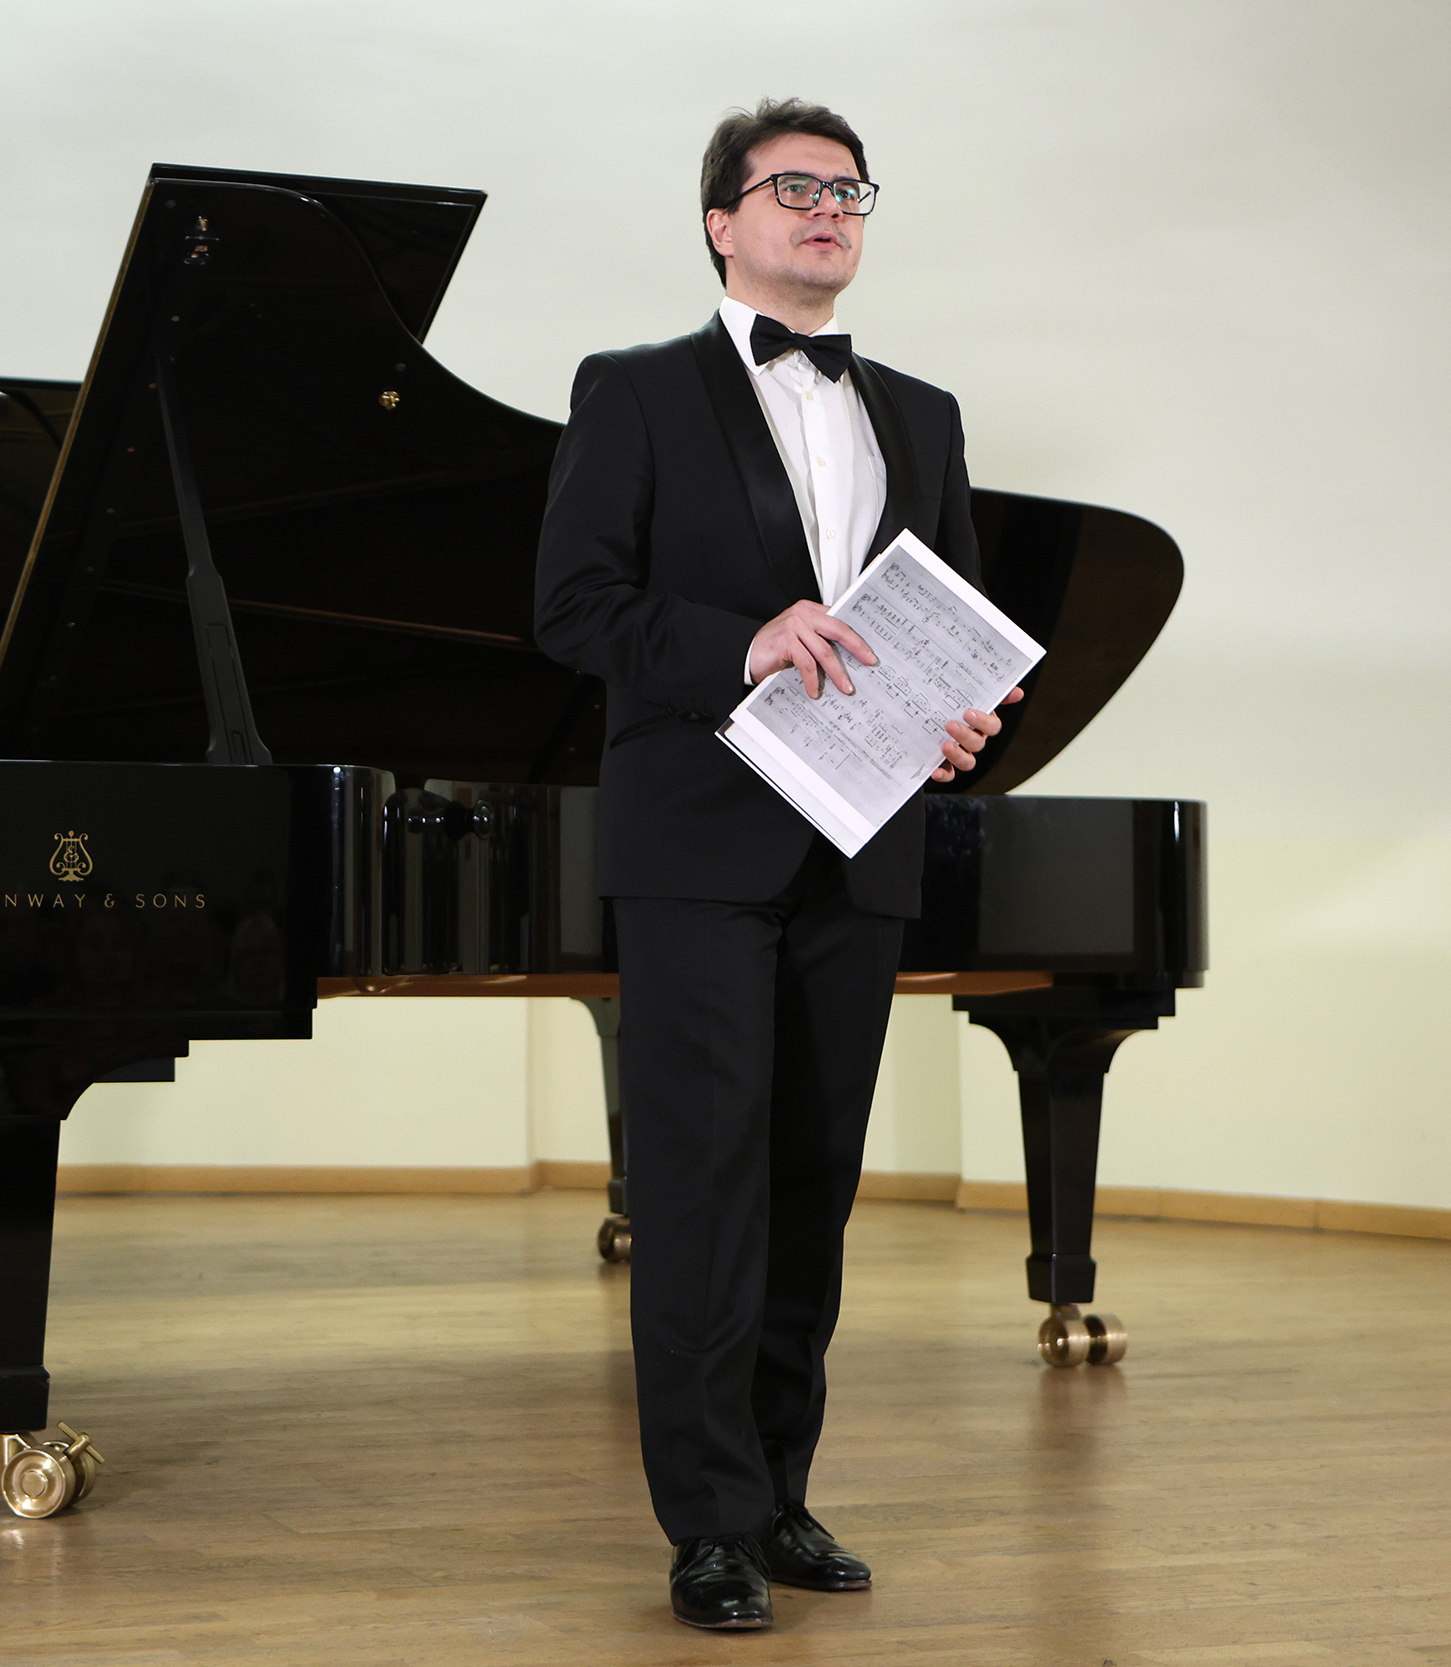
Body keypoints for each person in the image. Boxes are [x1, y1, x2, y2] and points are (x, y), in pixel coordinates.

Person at [533, 98, 1021, 1630]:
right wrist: (741, 640)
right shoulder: (632, 390)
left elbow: (950, 618)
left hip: (861, 838)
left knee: (813, 1176)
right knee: (702, 1181)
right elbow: (571, 604)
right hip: (698, 835)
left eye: (849, 191)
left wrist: (962, 718)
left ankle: (778, 1488)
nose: (827, 209)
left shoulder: (924, 414)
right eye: (793, 186)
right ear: (721, 221)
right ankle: (705, 1522)